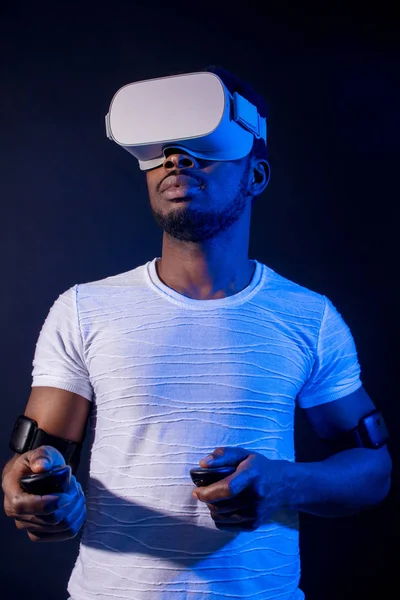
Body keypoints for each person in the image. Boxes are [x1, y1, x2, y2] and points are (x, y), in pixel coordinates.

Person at [2, 65, 392, 600]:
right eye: (161, 151)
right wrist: (36, 490)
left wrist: (284, 481)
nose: (176, 159)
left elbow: (373, 470)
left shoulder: (309, 317)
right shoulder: (82, 310)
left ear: (255, 175)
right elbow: (40, 461)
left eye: (203, 147)